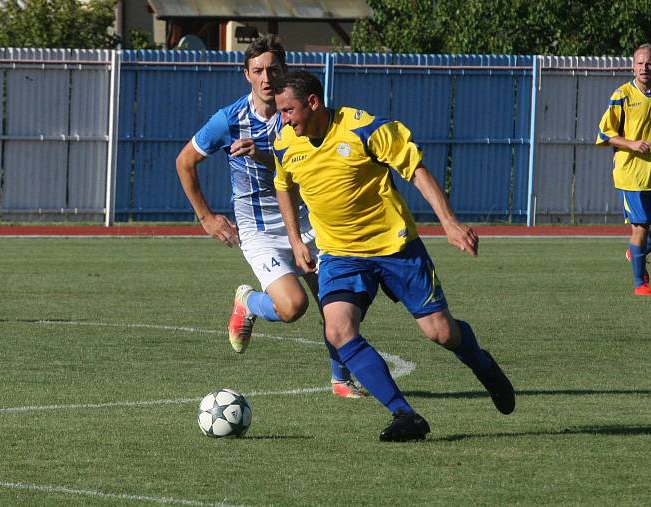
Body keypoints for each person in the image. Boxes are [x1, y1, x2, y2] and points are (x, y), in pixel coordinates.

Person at [271, 70, 515, 442]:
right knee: (336, 329)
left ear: (313, 103)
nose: (284, 120)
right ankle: (405, 415)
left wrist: (449, 223)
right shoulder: (285, 143)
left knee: (442, 333)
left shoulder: (363, 128)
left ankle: (483, 365)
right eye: (280, 113)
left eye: (288, 111)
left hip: (395, 248)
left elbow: (415, 170)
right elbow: (284, 186)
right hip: (340, 254)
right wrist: (296, 240)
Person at [175, 35, 365, 399]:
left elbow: (303, 163)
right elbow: (184, 162)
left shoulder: (299, 112)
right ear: (246, 74)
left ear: (285, 71)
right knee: (293, 307)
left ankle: (340, 379)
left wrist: (262, 155)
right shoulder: (228, 120)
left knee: (338, 305)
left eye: (273, 69)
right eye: (258, 70)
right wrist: (207, 218)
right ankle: (248, 301)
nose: (266, 78)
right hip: (260, 230)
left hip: (306, 222)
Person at [596, 43, 651, 296]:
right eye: (640, 63)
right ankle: (640, 283)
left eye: (649, 62)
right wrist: (631, 143)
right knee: (640, 227)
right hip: (631, 175)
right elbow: (604, 133)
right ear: (633, 66)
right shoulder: (621, 95)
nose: (645, 67)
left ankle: (635, 253)